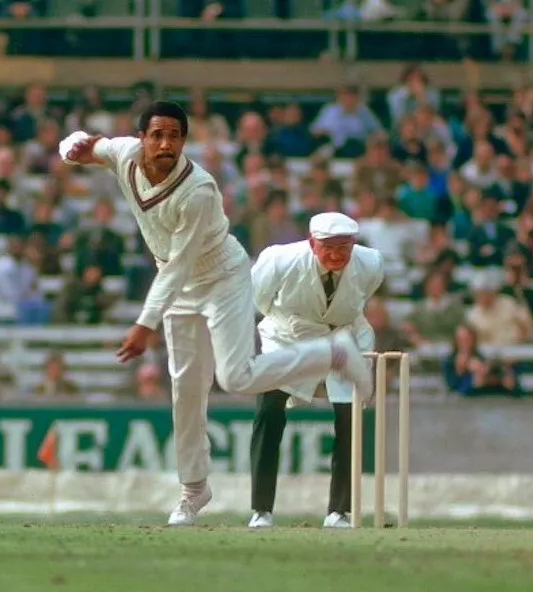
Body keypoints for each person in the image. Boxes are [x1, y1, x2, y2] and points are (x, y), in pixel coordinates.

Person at [59, 101, 372, 527]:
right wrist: (71, 146)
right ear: (143, 138)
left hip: (222, 275)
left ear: (184, 140)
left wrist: (144, 323)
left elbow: (180, 264)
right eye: (157, 135)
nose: (165, 144)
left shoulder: (199, 189)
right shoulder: (124, 154)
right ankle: (194, 490)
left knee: (235, 377)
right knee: (185, 387)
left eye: (174, 136)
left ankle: (332, 355)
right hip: (179, 283)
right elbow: (92, 146)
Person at [247, 212, 386, 529]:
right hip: (288, 337)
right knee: (269, 410)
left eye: (344, 247)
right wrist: (296, 325)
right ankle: (261, 510)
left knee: (350, 419)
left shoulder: (371, 263)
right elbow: (259, 301)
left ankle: (339, 511)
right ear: (312, 243)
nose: (336, 255)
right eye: (328, 248)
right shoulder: (279, 259)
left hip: (346, 336)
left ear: (354, 244)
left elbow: (361, 299)